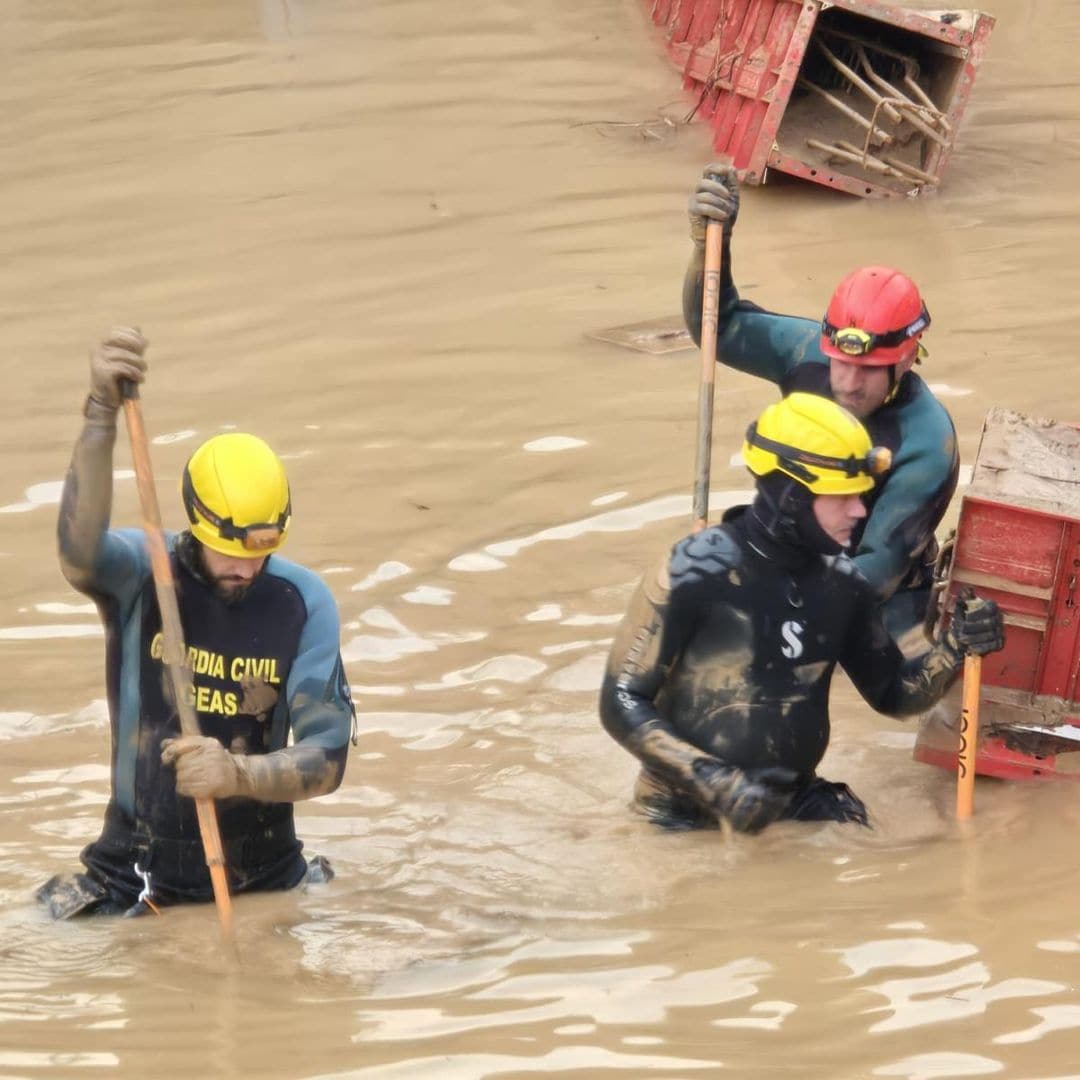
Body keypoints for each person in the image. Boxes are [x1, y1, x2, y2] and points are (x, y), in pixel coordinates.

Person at [37, 327, 355, 918]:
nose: (246, 567)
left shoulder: (302, 602)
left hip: (261, 875)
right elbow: (77, 552)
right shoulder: (142, 574)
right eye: (229, 550)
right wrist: (101, 414)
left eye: (262, 552)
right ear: (196, 526)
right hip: (131, 871)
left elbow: (328, 759)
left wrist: (237, 773)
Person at [599, 392, 1002, 833]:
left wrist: (955, 647)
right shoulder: (693, 571)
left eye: (861, 496)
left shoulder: (842, 585)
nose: (860, 511)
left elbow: (893, 695)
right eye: (842, 498)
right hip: (680, 815)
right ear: (790, 496)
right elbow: (621, 700)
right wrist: (712, 782)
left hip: (794, 802)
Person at [682, 164, 958, 639]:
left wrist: (759, 610)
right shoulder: (806, 350)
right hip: (791, 561)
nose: (847, 384)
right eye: (839, 363)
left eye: (869, 370)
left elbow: (875, 571)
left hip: (880, 604)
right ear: (827, 345)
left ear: (908, 357)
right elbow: (718, 327)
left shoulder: (927, 444)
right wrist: (710, 246)